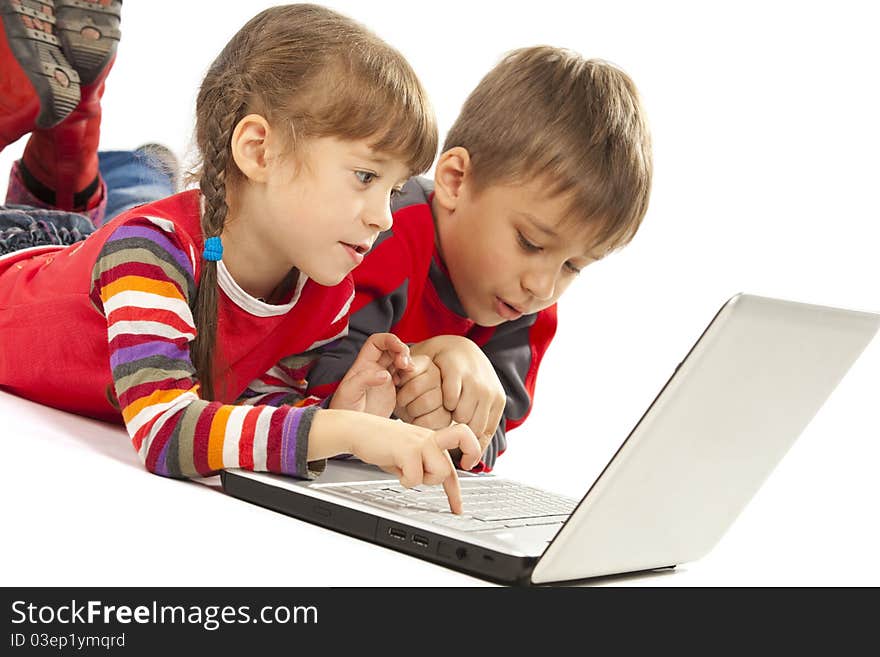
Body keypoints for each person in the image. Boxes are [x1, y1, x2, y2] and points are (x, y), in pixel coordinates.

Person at [0, 3, 482, 513]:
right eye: (366, 176)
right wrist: (346, 431)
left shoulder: (325, 292)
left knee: (137, 179)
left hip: (85, 249)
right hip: (19, 255)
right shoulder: (150, 251)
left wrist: (338, 416)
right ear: (259, 151)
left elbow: (243, 401)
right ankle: (66, 119)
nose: (385, 217)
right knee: (124, 197)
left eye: (396, 189)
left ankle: (76, 137)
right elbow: (166, 432)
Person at [307, 46, 653, 472]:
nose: (543, 286)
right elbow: (308, 390)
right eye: (530, 242)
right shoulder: (382, 233)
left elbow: (489, 441)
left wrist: (449, 430)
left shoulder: (521, 303)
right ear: (455, 180)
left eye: (573, 267)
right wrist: (428, 357)